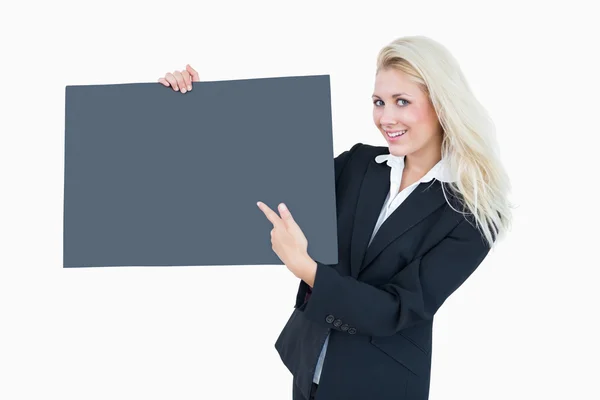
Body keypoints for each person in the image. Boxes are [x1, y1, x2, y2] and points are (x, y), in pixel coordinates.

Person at [158, 35, 513, 400]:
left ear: (442, 106)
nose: (385, 118)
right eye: (379, 102)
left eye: (401, 102)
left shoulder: (472, 214)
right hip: (309, 368)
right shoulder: (360, 165)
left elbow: (396, 310)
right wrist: (198, 112)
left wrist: (306, 268)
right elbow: (262, 188)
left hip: (381, 385)